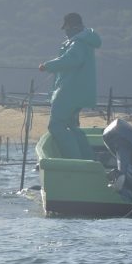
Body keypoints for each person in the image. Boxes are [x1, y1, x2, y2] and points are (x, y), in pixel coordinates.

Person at [39, 12, 101, 159]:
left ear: (71, 26)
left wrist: (47, 66)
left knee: (56, 126)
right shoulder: (86, 40)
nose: (65, 31)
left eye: (66, 27)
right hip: (79, 93)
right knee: (73, 127)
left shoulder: (78, 42)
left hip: (68, 92)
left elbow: (72, 59)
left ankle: (75, 162)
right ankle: (89, 161)